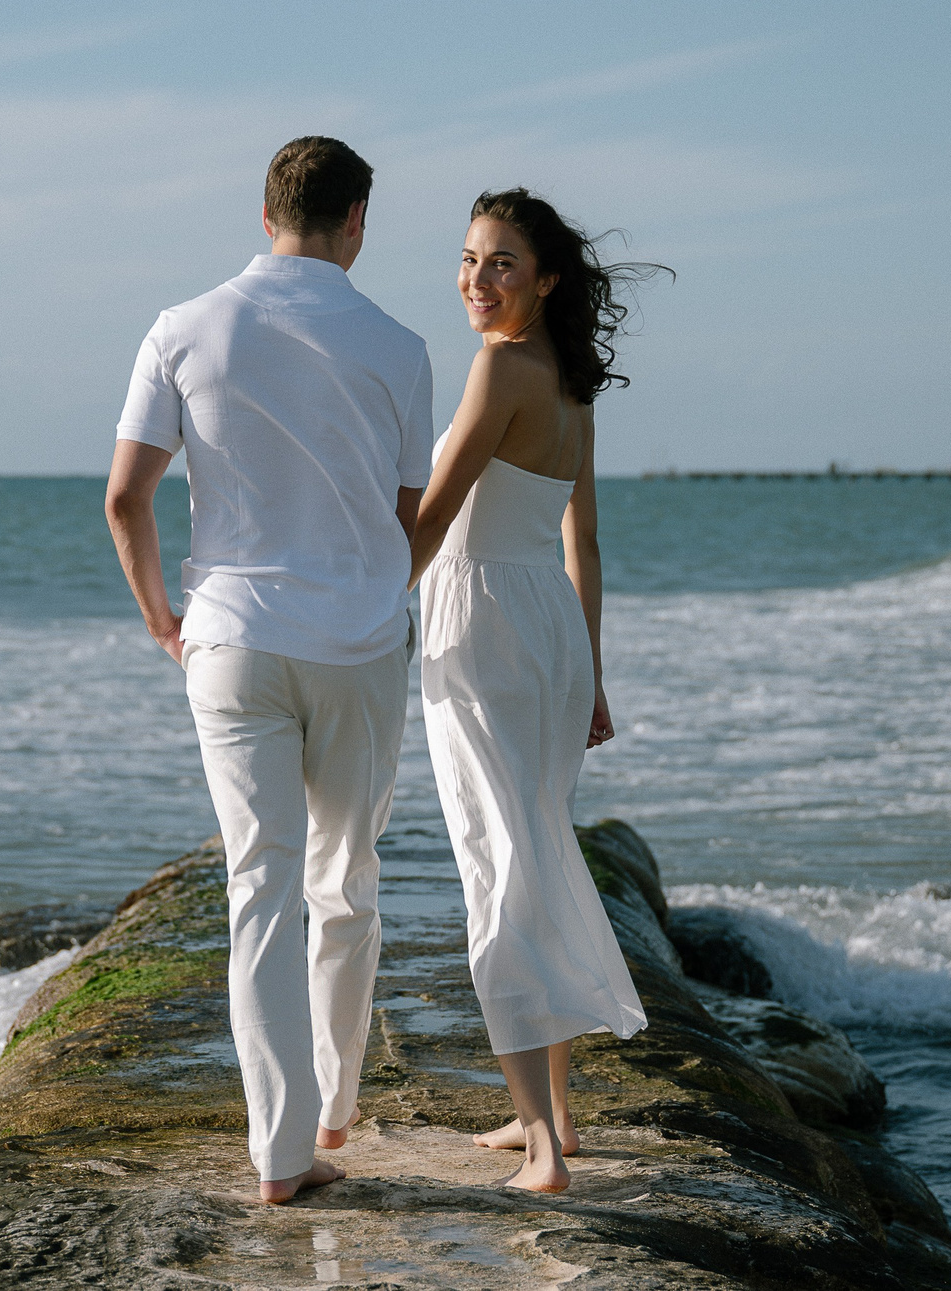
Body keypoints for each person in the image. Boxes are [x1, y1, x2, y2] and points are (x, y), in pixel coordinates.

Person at [104, 137, 434, 1205]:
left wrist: (164, 616)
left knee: (261, 892)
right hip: (358, 643)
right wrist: (377, 590)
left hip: (231, 636)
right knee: (347, 881)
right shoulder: (399, 344)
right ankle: (337, 1108)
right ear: (356, 223)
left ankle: (280, 1157)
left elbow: (125, 497)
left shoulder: (181, 327)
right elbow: (409, 510)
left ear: (264, 217)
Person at [406, 187, 664, 1194]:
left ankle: (546, 1150)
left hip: (482, 628)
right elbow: (581, 540)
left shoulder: (499, 367)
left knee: (496, 866)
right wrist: (591, 670)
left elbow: (433, 517)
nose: (476, 279)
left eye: (501, 262)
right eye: (469, 259)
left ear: (545, 280)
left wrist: (365, 609)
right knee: (533, 850)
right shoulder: (567, 379)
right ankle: (548, 1118)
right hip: (548, 630)